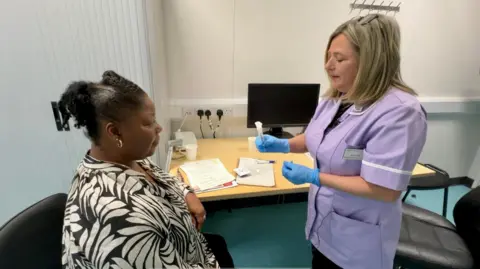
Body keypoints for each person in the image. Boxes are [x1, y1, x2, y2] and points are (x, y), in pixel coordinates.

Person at [256, 14, 427, 269]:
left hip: (358, 240)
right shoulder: (335, 98)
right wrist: (284, 145)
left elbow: (384, 189)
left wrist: (315, 177)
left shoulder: (400, 112)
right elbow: (317, 138)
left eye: (339, 59)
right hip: (323, 224)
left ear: (370, 62)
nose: (328, 66)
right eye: (328, 57)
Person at [60, 70, 234, 269]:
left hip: (190, 249)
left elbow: (161, 178)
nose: (159, 128)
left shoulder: (126, 158)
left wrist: (187, 194)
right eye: (149, 122)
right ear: (115, 132)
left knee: (219, 243)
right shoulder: (119, 218)